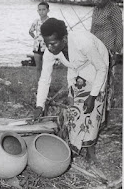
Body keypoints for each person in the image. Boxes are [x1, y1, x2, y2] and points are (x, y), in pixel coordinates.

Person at [33, 18, 109, 165]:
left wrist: (93, 96)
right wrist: (39, 105)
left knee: (93, 110)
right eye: (46, 43)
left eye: (53, 43)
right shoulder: (50, 51)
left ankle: (90, 150)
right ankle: (75, 145)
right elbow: (44, 79)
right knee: (75, 109)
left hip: (98, 66)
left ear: (64, 38)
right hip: (78, 70)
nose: (49, 47)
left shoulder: (83, 42)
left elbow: (101, 68)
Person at [89, 0, 123, 124]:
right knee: (94, 83)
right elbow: (92, 30)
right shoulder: (96, 9)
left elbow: (120, 32)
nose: (95, 0)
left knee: (107, 85)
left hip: (109, 52)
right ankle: (94, 114)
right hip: (95, 51)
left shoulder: (114, 9)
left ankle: (104, 120)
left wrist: (116, 52)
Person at [29, 2, 50, 82]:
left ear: (48, 10)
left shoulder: (50, 22)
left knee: (46, 68)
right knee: (38, 67)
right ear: (37, 11)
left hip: (47, 48)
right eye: (39, 10)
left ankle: (47, 84)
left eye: (44, 10)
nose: (41, 12)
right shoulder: (36, 21)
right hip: (37, 47)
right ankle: (39, 84)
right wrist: (35, 38)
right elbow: (30, 31)